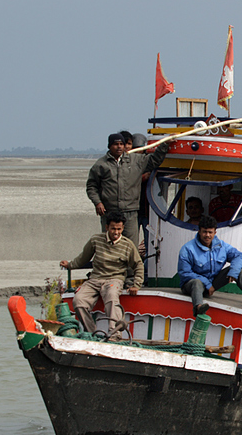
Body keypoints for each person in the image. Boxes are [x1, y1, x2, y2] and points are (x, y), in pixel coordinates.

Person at [60, 211, 143, 341]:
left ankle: (114, 335)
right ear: (107, 227)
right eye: (113, 229)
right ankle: (92, 333)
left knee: (111, 296)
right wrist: (70, 265)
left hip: (114, 279)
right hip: (95, 279)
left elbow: (138, 265)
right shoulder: (96, 240)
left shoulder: (128, 245)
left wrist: (136, 285)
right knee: (79, 300)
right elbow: (83, 258)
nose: (116, 232)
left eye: (119, 229)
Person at [86, 132, 169, 245]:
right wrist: (97, 202)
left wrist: (165, 144)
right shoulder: (101, 165)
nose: (119, 146)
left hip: (130, 213)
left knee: (130, 246)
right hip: (109, 212)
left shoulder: (136, 160)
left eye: (121, 144)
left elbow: (154, 160)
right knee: (109, 244)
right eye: (116, 144)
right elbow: (91, 186)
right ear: (109, 146)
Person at [178, 215, 242, 316]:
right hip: (191, 286)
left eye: (210, 232)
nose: (207, 235)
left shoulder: (222, 246)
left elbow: (239, 256)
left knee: (238, 270)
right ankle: (199, 308)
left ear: (215, 232)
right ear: (199, 231)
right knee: (196, 282)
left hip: (212, 284)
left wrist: (233, 272)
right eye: (204, 232)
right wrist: (207, 284)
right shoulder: (187, 249)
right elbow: (185, 273)